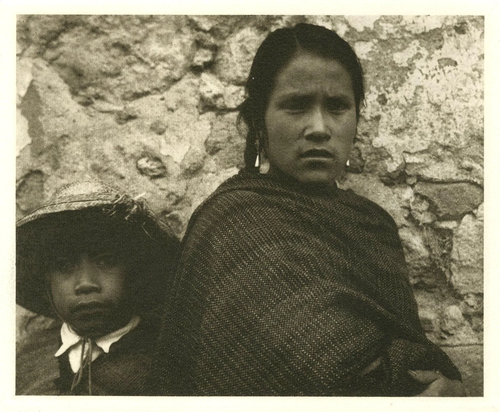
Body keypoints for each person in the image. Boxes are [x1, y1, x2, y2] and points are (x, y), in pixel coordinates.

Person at [151, 23, 465, 396]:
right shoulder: (229, 225)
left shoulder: (373, 226)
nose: (319, 128)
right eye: (296, 105)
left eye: (337, 107)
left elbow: (412, 355)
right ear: (260, 119)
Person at [16, 180, 179, 395]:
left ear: (134, 272)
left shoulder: (166, 363)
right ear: (45, 282)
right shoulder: (28, 360)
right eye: (65, 266)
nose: (85, 283)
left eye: (106, 261)